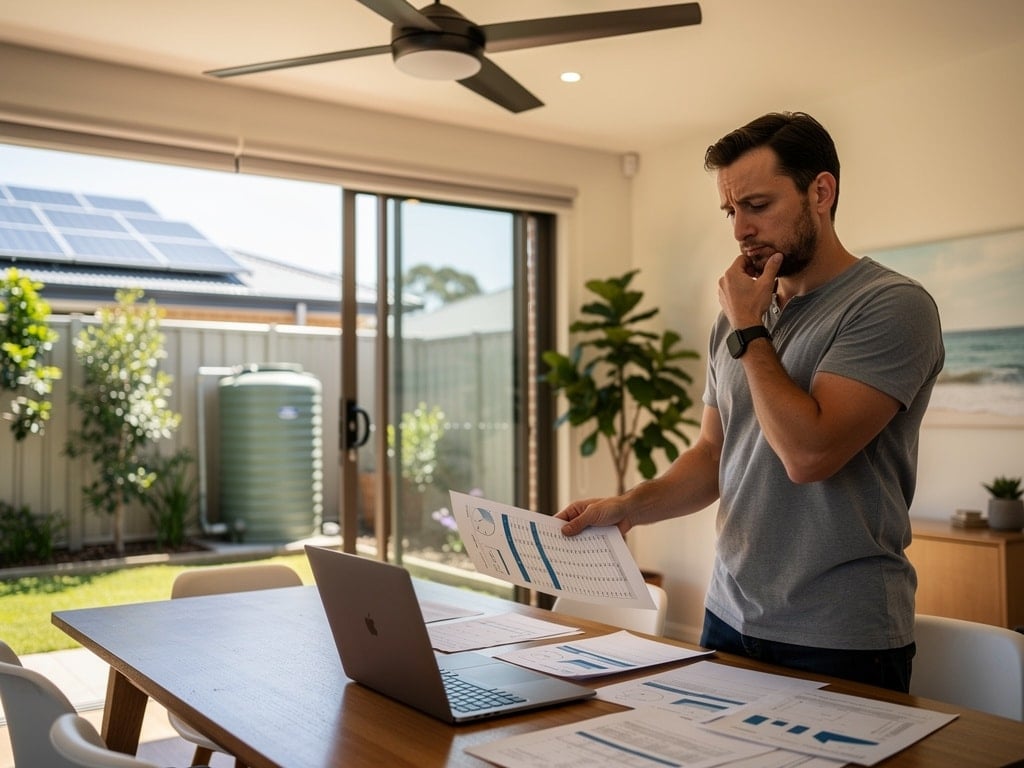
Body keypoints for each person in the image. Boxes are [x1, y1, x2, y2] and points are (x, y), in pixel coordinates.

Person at [557, 111, 944, 692]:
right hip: (728, 616)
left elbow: (808, 456)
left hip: (841, 636)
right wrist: (627, 506)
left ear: (821, 191)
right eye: (731, 211)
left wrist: (746, 327)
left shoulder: (890, 305)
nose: (740, 229)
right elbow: (715, 453)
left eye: (757, 205)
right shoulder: (739, 320)